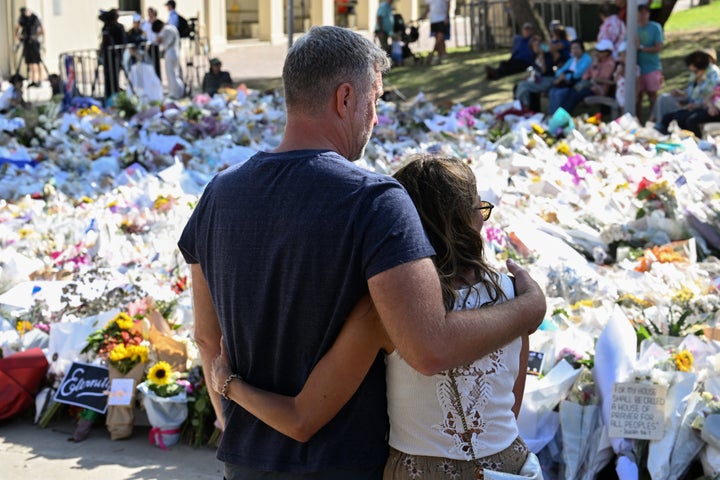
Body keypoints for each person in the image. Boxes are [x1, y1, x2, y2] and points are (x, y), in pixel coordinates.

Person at [177, 25, 545, 479]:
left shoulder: (217, 195)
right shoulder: (374, 201)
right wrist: (529, 307)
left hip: (245, 459)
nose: (375, 118)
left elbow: (207, 339)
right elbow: (429, 346)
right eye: (376, 101)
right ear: (345, 98)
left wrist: (228, 412)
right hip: (344, 462)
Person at [211, 154, 535, 478]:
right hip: (509, 465)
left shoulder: (384, 311)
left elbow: (301, 419)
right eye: (481, 210)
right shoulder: (516, 299)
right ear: (470, 219)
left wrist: (229, 384)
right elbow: (510, 406)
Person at [654, 49, 720, 136]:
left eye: (695, 71)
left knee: (688, 120)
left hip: (704, 108)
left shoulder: (713, 77)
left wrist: (701, 105)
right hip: (697, 105)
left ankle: (699, 143)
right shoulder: (696, 74)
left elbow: (708, 98)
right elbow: (709, 95)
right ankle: (658, 128)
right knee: (664, 103)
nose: (693, 73)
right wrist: (681, 93)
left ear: (703, 68)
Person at [558, 39, 617, 115]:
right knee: (570, 93)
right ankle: (560, 115)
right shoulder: (598, 60)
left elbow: (598, 78)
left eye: (601, 51)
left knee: (575, 95)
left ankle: (562, 116)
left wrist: (595, 65)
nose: (598, 53)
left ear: (607, 53)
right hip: (589, 86)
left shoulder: (609, 64)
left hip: (598, 89)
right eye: (597, 50)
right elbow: (586, 74)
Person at [547, 39, 592, 114]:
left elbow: (578, 74)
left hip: (576, 85)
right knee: (552, 92)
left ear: (582, 48)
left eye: (576, 48)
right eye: (572, 48)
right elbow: (560, 71)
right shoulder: (572, 59)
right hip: (565, 83)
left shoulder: (587, 59)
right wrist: (562, 75)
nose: (574, 50)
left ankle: (557, 117)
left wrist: (564, 76)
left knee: (559, 94)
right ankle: (551, 115)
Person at [636, 3, 664, 123]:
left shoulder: (655, 27)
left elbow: (658, 47)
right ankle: (638, 121)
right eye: (640, 13)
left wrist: (641, 48)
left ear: (648, 14)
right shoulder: (632, 28)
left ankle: (654, 121)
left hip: (652, 67)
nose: (642, 16)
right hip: (637, 69)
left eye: (645, 13)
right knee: (638, 97)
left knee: (652, 96)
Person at [514, 35, 556, 112]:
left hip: (548, 79)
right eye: (535, 46)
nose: (537, 47)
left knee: (524, 87)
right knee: (520, 85)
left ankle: (522, 106)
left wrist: (542, 57)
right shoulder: (534, 56)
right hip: (538, 79)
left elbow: (544, 71)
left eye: (538, 45)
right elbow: (534, 70)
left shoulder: (548, 56)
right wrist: (529, 76)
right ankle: (522, 106)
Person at [98, 9, 128, 102]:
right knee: (109, 76)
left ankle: (114, 94)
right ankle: (110, 94)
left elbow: (123, 42)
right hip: (109, 56)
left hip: (115, 56)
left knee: (114, 76)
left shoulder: (117, 27)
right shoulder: (108, 27)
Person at [152, 19, 185, 99]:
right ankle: (179, 91)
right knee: (175, 73)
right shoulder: (173, 27)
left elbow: (157, 40)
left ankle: (175, 93)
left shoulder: (165, 29)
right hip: (175, 51)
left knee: (171, 74)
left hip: (170, 52)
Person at [14, 7, 44, 88]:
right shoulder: (23, 19)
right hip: (27, 42)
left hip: (34, 43)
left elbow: (42, 30)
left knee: (37, 62)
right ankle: (33, 80)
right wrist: (19, 37)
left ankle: (40, 80)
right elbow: (17, 28)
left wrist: (34, 36)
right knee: (30, 63)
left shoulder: (34, 18)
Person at [422, 0, 451, 66]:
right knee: (438, 40)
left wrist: (447, 16)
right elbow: (428, 7)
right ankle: (440, 57)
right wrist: (423, 16)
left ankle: (431, 54)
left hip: (442, 19)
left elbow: (448, 4)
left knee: (440, 37)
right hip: (433, 20)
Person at [141, 7, 162, 80]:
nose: (149, 14)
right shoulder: (145, 22)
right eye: (148, 12)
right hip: (148, 45)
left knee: (156, 63)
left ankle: (158, 78)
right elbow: (143, 32)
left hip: (155, 45)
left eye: (151, 12)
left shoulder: (157, 22)